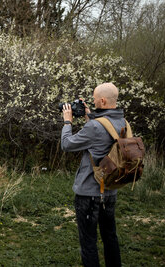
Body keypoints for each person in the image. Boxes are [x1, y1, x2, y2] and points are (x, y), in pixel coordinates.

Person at [61, 82, 123, 267]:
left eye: (95, 99)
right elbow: (102, 138)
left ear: (102, 100)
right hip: (110, 190)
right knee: (110, 236)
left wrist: (67, 121)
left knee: (88, 241)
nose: (93, 101)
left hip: (89, 193)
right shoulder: (122, 121)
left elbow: (67, 144)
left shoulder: (95, 127)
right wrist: (89, 114)